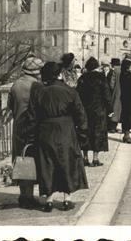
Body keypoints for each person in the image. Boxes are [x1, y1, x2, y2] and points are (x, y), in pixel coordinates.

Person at [24, 61, 88, 212]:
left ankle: (49, 200)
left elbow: (32, 116)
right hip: (66, 130)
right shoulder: (70, 91)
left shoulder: (38, 91)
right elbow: (81, 115)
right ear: (59, 74)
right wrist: (82, 134)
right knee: (67, 162)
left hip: (45, 130)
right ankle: (67, 199)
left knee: (47, 164)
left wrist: (29, 135)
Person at [8, 54, 44, 209]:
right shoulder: (37, 86)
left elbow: (10, 106)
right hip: (33, 126)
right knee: (32, 159)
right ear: (36, 72)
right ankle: (29, 197)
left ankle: (24, 195)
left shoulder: (15, 84)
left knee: (21, 158)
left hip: (18, 126)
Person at [76, 57, 110, 167]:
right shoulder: (101, 77)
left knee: (86, 132)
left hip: (85, 109)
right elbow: (106, 94)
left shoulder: (82, 78)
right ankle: (95, 159)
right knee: (98, 132)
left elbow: (78, 94)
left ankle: (85, 157)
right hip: (99, 109)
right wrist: (110, 109)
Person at [119, 56, 131, 143]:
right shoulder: (127, 75)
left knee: (126, 117)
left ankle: (126, 135)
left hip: (126, 99)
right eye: (130, 65)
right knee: (128, 117)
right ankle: (127, 136)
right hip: (129, 99)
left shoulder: (123, 74)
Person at [106, 58, 121, 133]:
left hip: (113, 93)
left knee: (112, 110)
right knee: (118, 110)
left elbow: (111, 84)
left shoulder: (113, 71)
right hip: (120, 93)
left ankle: (111, 127)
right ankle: (114, 127)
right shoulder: (122, 70)